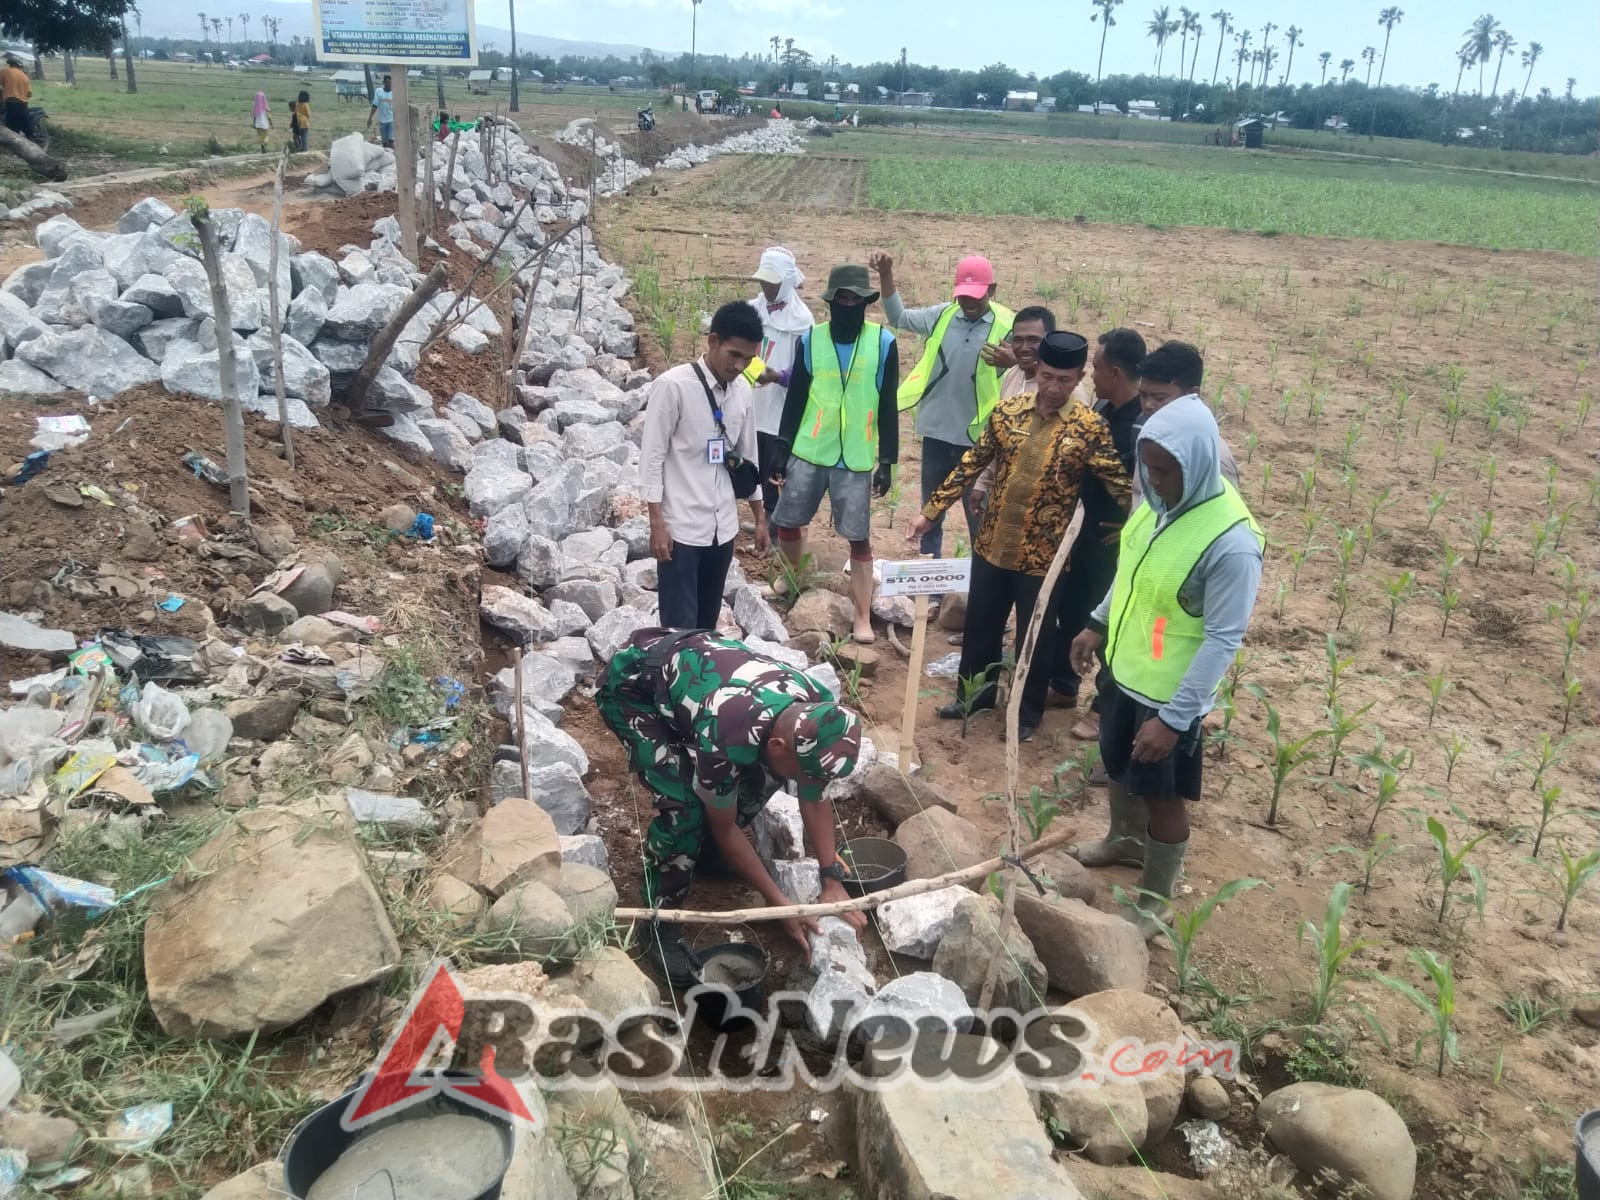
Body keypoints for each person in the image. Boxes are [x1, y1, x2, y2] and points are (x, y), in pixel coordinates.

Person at [1068, 394, 1264, 938]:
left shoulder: (1231, 543)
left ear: (1197, 463)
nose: (1150, 482)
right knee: (1118, 765)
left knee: (1162, 793)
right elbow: (1131, 572)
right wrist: (1097, 623)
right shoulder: (1158, 505)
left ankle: (1156, 900)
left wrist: (1176, 718)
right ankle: (1123, 842)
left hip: (1168, 694)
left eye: (1162, 471)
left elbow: (1223, 641)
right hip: (1124, 672)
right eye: (1145, 468)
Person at [598, 627, 867, 981]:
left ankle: (707, 858)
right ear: (777, 746)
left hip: (698, 681)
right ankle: (660, 920)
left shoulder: (817, 707)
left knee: (756, 783)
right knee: (686, 812)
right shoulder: (726, 736)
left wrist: (831, 878)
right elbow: (724, 825)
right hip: (634, 688)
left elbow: (814, 796)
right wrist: (779, 904)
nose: (809, 784)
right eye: (805, 774)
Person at [908, 332, 1130, 742]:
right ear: (1037, 371)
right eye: (1047, 376)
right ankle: (973, 698)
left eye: (1065, 380)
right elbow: (970, 463)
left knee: (1036, 637)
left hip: (1043, 556)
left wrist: (1136, 525)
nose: (1053, 388)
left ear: (1079, 376)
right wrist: (929, 513)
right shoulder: (1007, 412)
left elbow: (1119, 484)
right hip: (993, 542)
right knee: (981, 627)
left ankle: (1026, 714)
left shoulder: (1089, 428)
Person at [771, 264, 900, 644]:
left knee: (858, 537)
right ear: (831, 302)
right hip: (810, 449)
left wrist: (888, 461)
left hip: (857, 456)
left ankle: (861, 614)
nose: (848, 304)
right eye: (841, 298)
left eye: (855, 299)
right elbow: (795, 399)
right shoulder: (811, 339)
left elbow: (889, 404)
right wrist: (782, 445)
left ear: (865, 303)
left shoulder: (883, 343)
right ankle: (788, 579)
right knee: (789, 520)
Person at [871, 251, 1014, 580]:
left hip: (980, 443)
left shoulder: (1010, 327)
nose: (968, 303)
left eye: (975, 297)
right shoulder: (943, 316)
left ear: (992, 290)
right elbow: (899, 317)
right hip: (936, 432)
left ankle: (983, 589)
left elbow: (1038, 371)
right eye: (962, 296)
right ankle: (931, 592)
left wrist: (1016, 362)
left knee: (981, 517)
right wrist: (887, 275)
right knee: (931, 513)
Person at [641, 301, 771, 629]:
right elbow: (652, 456)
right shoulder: (673, 387)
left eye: (749, 359)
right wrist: (657, 522)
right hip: (681, 527)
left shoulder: (742, 392)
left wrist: (759, 518)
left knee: (706, 623)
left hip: (722, 527)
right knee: (678, 626)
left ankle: (699, 678)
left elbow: (749, 456)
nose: (740, 366)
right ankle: (674, 678)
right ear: (713, 341)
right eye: (734, 355)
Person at [1051, 329, 1148, 734]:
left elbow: (1149, 488)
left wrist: (1132, 523)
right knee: (1072, 608)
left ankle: (1102, 707)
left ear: (1116, 371)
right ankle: (1064, 684)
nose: (1091, 374)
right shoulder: (1104, 408)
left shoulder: (1142, 423)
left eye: (1097, 367)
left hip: (1114, 540)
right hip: (1083, 531)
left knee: (1110, 619)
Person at [746, 247, 814, 521]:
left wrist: (777, 376)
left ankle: (775, 528)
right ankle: (760, 519)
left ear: (786, 281)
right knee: (752, 464)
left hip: (780, 407)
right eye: (763, 280)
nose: (767, 287)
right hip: (751, 401)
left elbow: (805, 370)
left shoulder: (802, 321)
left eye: (773, 282)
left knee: (775, 467)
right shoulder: (752, 310)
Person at [1130, 341, 1240, 500]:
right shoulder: (1151, 439)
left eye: (1159, 398)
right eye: (1143, 396)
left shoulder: (1214, 461)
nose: (1147, 405)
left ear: (1192, 394)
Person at [1, 54, 31, 138]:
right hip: (23, 104)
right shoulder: (25, 76)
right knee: (25, 127)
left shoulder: (5, 71)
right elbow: (29, 94)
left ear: (10, 63)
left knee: (12, 127)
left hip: (10, 102)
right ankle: (31, 139)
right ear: (19, 65)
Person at [367, 74, 394, 148]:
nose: (389, 84)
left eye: (390, 82)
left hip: (392, 120)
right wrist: (370, 118)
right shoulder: (378, 92)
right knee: (385, 143)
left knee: (391, 141)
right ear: (383, 82)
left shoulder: (394, 93)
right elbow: (375, 105)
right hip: (382, 120)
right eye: (387, 82)